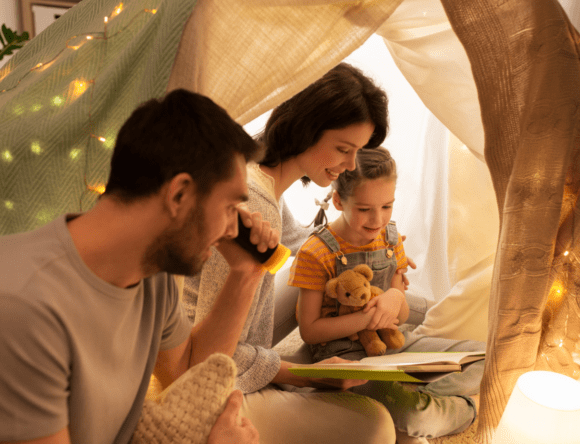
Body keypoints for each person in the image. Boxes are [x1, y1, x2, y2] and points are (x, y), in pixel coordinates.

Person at [0, 89, 277, 444]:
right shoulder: (23, 308)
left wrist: (246, 274)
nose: (233, 228)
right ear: (179, 195)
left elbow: (190, 372)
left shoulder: (150, 276)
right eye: (229, 207)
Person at [183, 62, 402, 444]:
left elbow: (300, 242)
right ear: (306, 128)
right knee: (377, 425)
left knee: (353, 285)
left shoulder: (254, 170)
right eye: (343, 149)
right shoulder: (254, 200)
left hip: (228, 347)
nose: (351, 166)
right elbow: (213, 359)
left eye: (358, 152)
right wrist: (303, 374)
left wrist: (378, 253)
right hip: (202, 386)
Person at [288, 147, 486, 441]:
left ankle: (417, 384)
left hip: (395, 343)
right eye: (365, 209)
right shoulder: (315, 252)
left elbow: (401, 317)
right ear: (340, 201)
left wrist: (396, 298)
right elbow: (310, 331)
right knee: (414, 415)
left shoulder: (391, 238)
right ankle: (465, 408)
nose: (377, 220)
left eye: (387, 206)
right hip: (347, 359)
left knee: (487, 357)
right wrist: (368, 319)